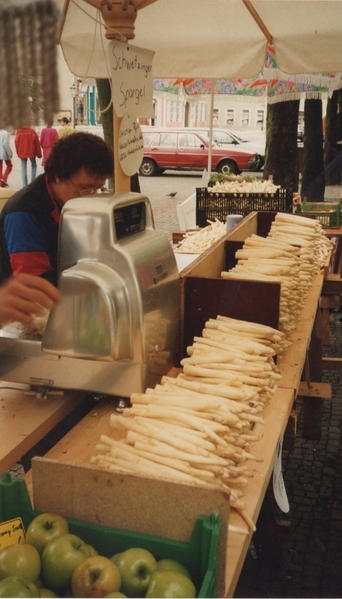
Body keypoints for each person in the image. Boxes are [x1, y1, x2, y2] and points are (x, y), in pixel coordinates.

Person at [0, 132, 114, 287]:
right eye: (85, 188)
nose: (92, 196)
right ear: (59, 175)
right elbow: (36, 285)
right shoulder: (23, 213)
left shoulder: (71, 204)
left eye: (99, 188)